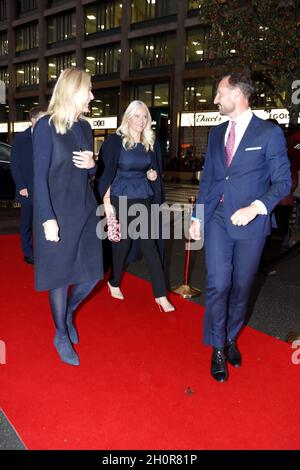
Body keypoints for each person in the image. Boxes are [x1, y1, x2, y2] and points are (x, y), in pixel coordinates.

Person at [189, 73, 291, 382]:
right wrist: (197, 217)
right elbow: (209, 179)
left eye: (220, 93)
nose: (216, 99)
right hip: (218, 218)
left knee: (242, 286)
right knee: (218, 284)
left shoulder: (268, 133)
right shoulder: (216, 132)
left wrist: (256, 207)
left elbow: (284, 181)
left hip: (251, 223)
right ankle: (217, 346)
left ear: (238, 95)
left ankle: (232, 336)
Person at [33, 68, 103, 366]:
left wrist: (92, 164)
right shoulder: (46, 127)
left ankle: (69, 312)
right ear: (73, 91)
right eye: (88, 89)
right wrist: (47, 218)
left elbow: (91, 173)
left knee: (93, 274)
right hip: (57, 214)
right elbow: (39, 178)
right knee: (60, 277)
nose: (91, 95)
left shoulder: (85, 128)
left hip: (85, 210)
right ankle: (60, 332)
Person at [98, 100, 174, 312]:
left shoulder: (150, 142)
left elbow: (155, 170)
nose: (141, 121)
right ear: (128, 117)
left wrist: (153, 174)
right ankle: (114, 281)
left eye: (145, 117)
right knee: (122, 245)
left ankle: (161, 295)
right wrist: (106, 203)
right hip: (120, 197)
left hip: (144, 196)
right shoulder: (114, 141)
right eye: (137, 116)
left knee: (150, 245)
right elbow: (105, 174)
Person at [11, 106, 45, 264]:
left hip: (45, 187)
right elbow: (15, 165)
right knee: (27, 223)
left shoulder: (48, 135)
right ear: (33, 120)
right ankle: (28, 252)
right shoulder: (20, 138)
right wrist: (21, 186)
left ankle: (44, 250)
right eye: (43, 118)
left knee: (44, 220)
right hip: (28, 189)